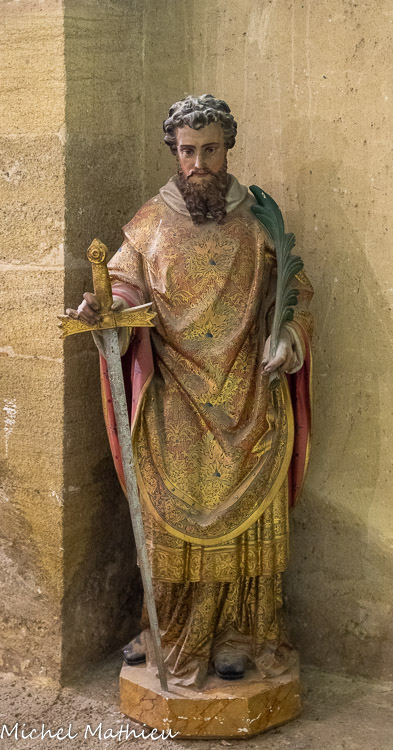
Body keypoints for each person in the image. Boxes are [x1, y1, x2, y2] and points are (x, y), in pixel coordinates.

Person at [67, 94, 313, 689]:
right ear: (173, 153)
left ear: (228, 148)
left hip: (248, 394)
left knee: (248, 524)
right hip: (174, 398)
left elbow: (294, 292)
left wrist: (287, 337)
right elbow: (123, 285)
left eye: (210, 150)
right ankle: (172, 631)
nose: (198, 163)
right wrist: (106, 309)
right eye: (187, 151)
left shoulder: (259, 223)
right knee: (170, 519)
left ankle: (242, 635)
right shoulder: (149, 223)